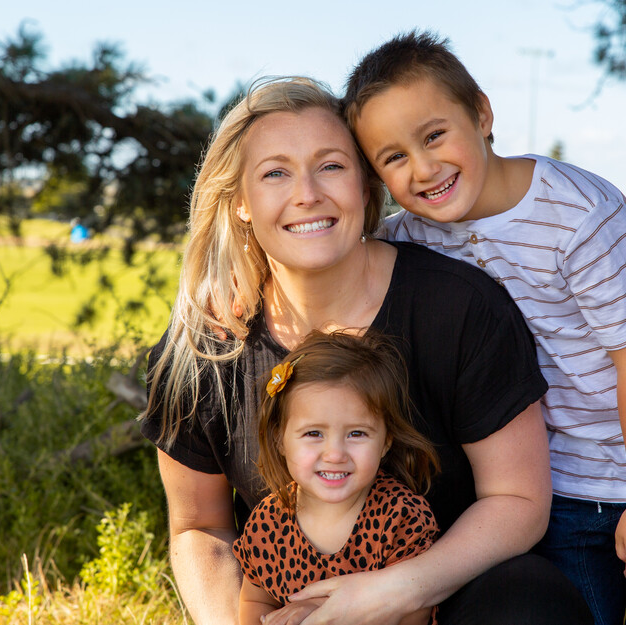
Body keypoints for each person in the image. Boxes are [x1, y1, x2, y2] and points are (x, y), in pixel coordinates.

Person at [140, 76, 592, 625]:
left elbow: (518, 501)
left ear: (364, 185)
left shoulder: (457, 307)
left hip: (445, 596)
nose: (307, 193)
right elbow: (200, 527)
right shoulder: (204, 347)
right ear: (239, 203)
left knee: (532, 604)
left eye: (331, 165)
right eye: (275, 172)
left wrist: (393, 592)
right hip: (295, 611)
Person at [344, 31, 626, 625]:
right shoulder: (412, 234)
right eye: (393, 157)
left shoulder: (580, 214)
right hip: (560, 475)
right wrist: (244, 278)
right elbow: (346, 258)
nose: (423, 168)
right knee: (582, 613)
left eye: (434, 135)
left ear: (481, 112)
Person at [233, 330, 441, 625]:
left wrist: (318, 608)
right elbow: (256, 598)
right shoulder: (269, 521)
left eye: (356, 433)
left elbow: (414, 610)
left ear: (386, 441)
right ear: (280, 439)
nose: (334, 454)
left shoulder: (400, 516)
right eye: (314, 433)